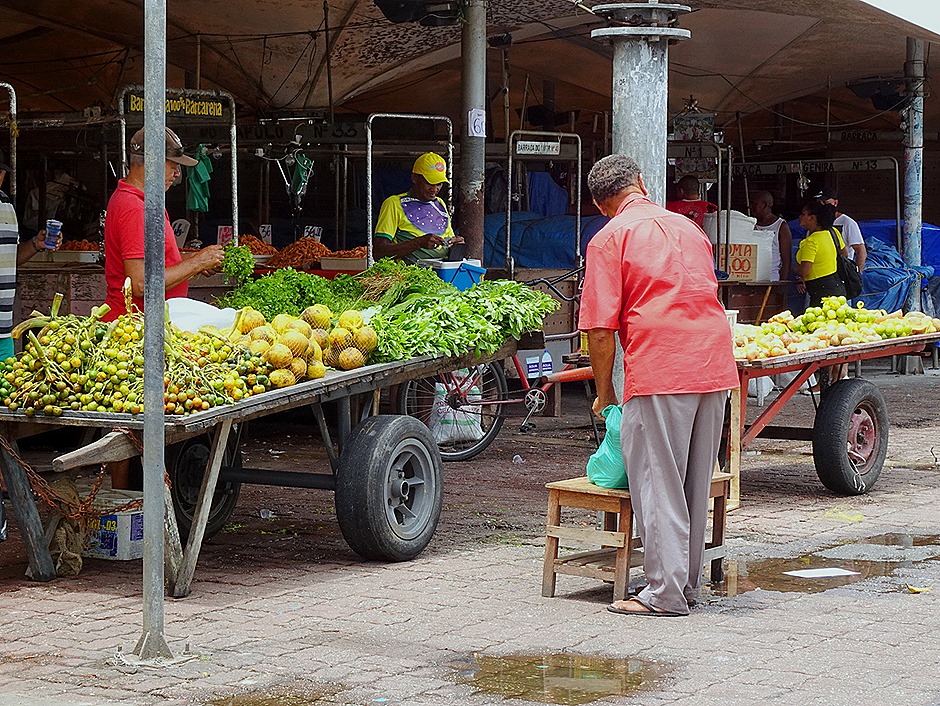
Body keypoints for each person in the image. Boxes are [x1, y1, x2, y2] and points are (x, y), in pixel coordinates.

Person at [579, 154, 739, 617]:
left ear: (599, 202)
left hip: (661, 367)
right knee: (693, 481)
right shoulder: (690, 229)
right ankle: (683, 585)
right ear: (642, 184)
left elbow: (600, 331)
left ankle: (665, 593)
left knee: (658, 481)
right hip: (713, 364)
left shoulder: (610, 237)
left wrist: (605, 392)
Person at [103, 127, 224, 321]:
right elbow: (140, 284)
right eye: (173, 165)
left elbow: (157, 264)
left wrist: (195, 264)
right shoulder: (135, 208)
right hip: (135, 327)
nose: (177, 174)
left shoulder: (141, 201)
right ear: (152, 163)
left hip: (146, 322)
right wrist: (197, 262)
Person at [0, 149, 63, 359]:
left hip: (4, 330)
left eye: (1, 172)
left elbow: (11, 258)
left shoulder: (6, 205)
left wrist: (36, 244)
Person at [373, 153, 463, 264]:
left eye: (439, 183)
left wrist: (456, 244)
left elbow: (448, 242)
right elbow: (378, 251)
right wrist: (418, 243)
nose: (434, 189)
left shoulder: (440, 203)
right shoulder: (394, 204)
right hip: (407, 277)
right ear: (415, 178)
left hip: (442, 274)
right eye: (430, 182)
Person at [795, 200, 846, 308]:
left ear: (812, 218)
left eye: (803, 214)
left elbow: (804, 272)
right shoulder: (833, 232)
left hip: (822, 294)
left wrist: (793, 267)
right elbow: (844, 254)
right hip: (837, 286)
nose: (800, 217)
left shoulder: (811, 242)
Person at [817, 186, 866, 272]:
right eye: (819, 202)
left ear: (835, 203)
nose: (821, 205)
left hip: (841, 271)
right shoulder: (815, 222)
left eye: (825, 202)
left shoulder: (848, 223)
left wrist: (856, 274)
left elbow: (861, 251)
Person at [749, 190, 792, 281]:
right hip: (751, 278)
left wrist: (782, 285)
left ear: (764, 205)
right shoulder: (750, 224)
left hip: (772, 278)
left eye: (754, 204)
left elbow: (786, 260)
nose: (751, 207)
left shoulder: (781, 226)